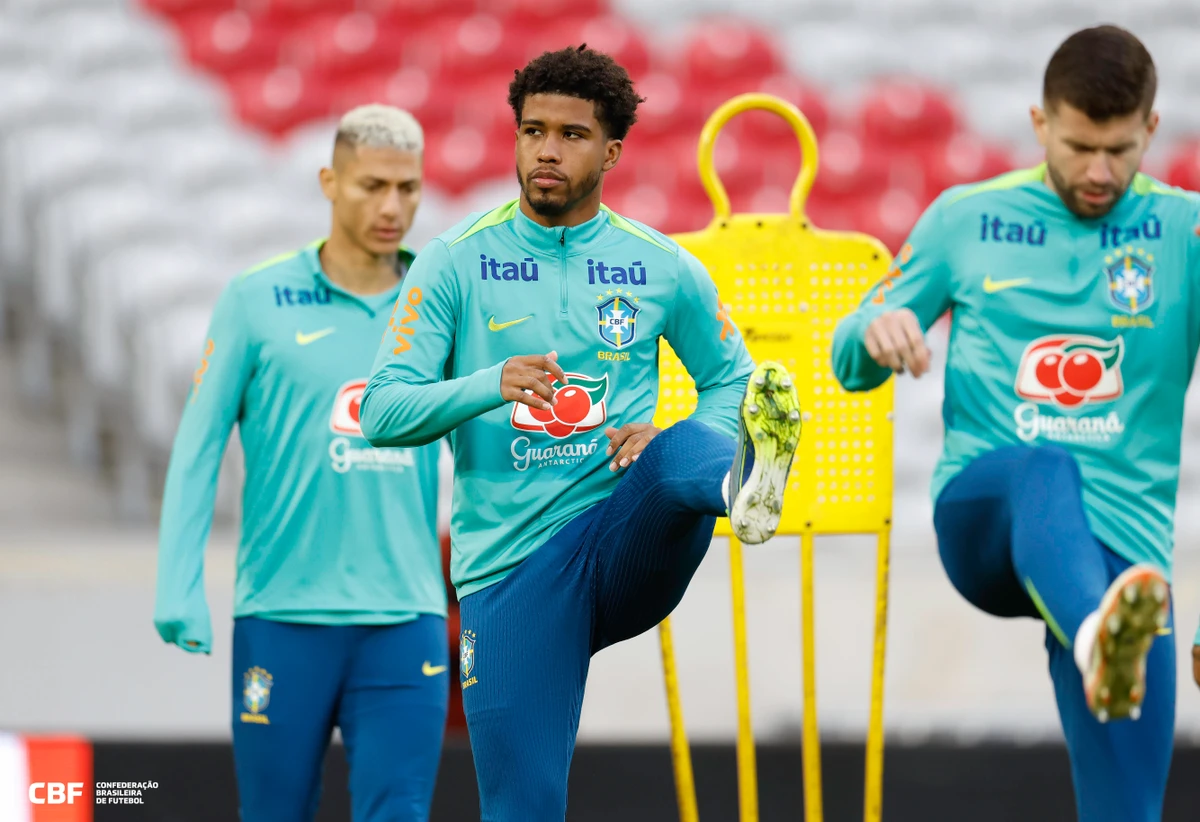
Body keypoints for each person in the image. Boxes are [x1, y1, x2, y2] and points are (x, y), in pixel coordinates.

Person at [359, 45, 802, 820]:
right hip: (511, 569)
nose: (547, 152)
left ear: (611, 151)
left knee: (672, 456)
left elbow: (732, 380)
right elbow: (382, 412)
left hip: (620, 536)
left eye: (570, 135)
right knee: (523, 806)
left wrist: (686, 425)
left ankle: (742, 485)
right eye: (532, 131)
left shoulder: (662, 265)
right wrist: (485, 385)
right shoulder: (454, 262)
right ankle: (724, 478)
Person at [832, 26, 1192, 822]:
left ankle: (1103, 640)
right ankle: (1097, 635)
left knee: (1130, 810)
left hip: (1123, 559)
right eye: (1078, 147)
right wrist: (874, 331)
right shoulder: (966, 218)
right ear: (1039, 124)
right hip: (988, 516)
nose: (1100, 172)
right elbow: (847, 358)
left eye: (1120, 150)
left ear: (1152, 132)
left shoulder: (1185, 235)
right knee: (1044, 467)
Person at [154, 105, 449, 822]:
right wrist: (178, 581)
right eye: (372, 185)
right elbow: (197, 446)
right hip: (281, 617)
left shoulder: (441, 304)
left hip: (405, 617)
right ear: (329, 181)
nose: (392, 206)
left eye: (408, 189)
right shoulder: (255, 301)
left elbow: (492, 449)